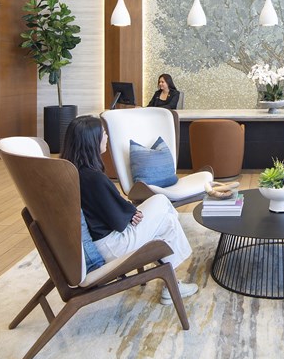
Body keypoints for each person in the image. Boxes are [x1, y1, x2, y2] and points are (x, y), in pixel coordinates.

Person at [61, 115, 197, 304]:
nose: (106, 136)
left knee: (161, 202)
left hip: (102, 239)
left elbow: (111, 207)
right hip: (112, 246)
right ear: (92, 141)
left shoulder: (74, 172)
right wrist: (130, 214)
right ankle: (171, 285)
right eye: (103, 133)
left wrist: (131, 212)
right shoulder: (93, 178)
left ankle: (170, 279)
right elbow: (118, 221)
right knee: (167, 220)